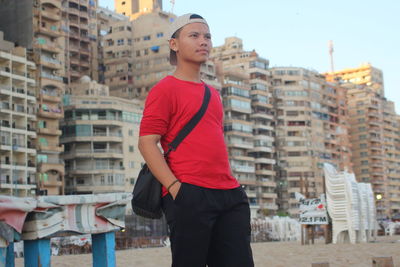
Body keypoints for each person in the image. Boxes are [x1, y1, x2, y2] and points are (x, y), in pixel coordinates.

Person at [138, 13, 254, 267]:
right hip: (189, 193)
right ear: (174, 44)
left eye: (207, 36)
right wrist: (176, 188)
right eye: (194, 35)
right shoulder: (164, 89)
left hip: (230, 195)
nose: (203, 41)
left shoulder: (213, 93)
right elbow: (147, 142)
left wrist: (236, 190)